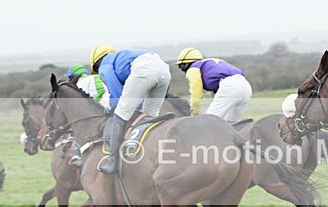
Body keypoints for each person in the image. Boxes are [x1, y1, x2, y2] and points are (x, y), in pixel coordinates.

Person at [91, 44, 172, 174]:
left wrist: (111, 109)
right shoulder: (121, 57)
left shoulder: (105, 65)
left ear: (97, 62)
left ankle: (112, 161)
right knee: (149, 115)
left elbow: (116, 94)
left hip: (144, 70)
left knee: (120, 113)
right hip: (163, 69)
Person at [174, 47, 252, 123]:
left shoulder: (193, 69)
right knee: (231, 123)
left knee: (209, 122)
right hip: (245, 86)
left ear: (186, 64)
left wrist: (194, 112)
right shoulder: (211, 62)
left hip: (230, 87)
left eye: (180, 66)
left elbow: (196, 94)